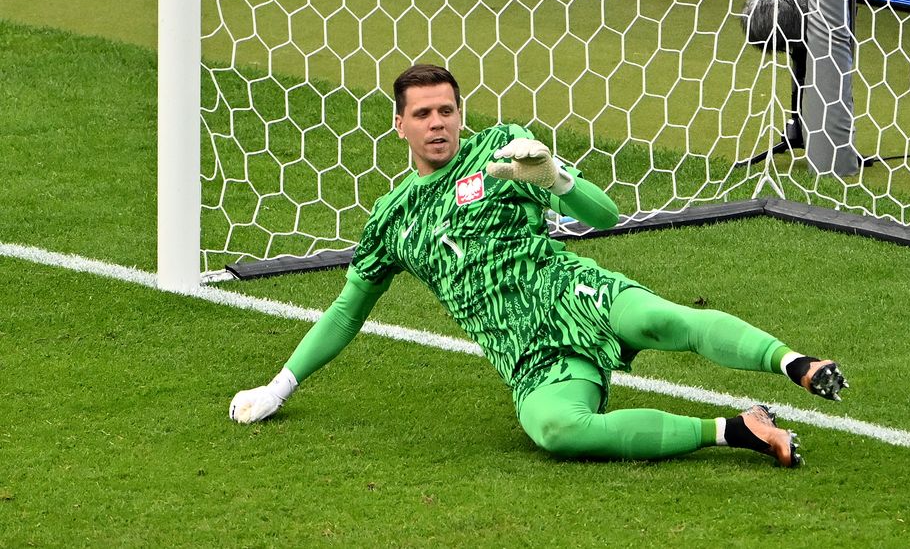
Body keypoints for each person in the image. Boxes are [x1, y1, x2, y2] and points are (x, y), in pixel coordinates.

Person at [230, 64, 848, 467]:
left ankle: (796, 364)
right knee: (557, 431)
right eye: (422, 114)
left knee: (665, 321)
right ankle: (737, 430)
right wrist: (278, 387)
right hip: (524, 352)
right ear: (399, 125)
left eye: (446, 110)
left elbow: (605, 215)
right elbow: (346, 313)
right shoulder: (391, 220)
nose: (437, 122)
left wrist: (556, 179)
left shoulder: (501, 150)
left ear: (460, 114)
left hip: (570, 290)